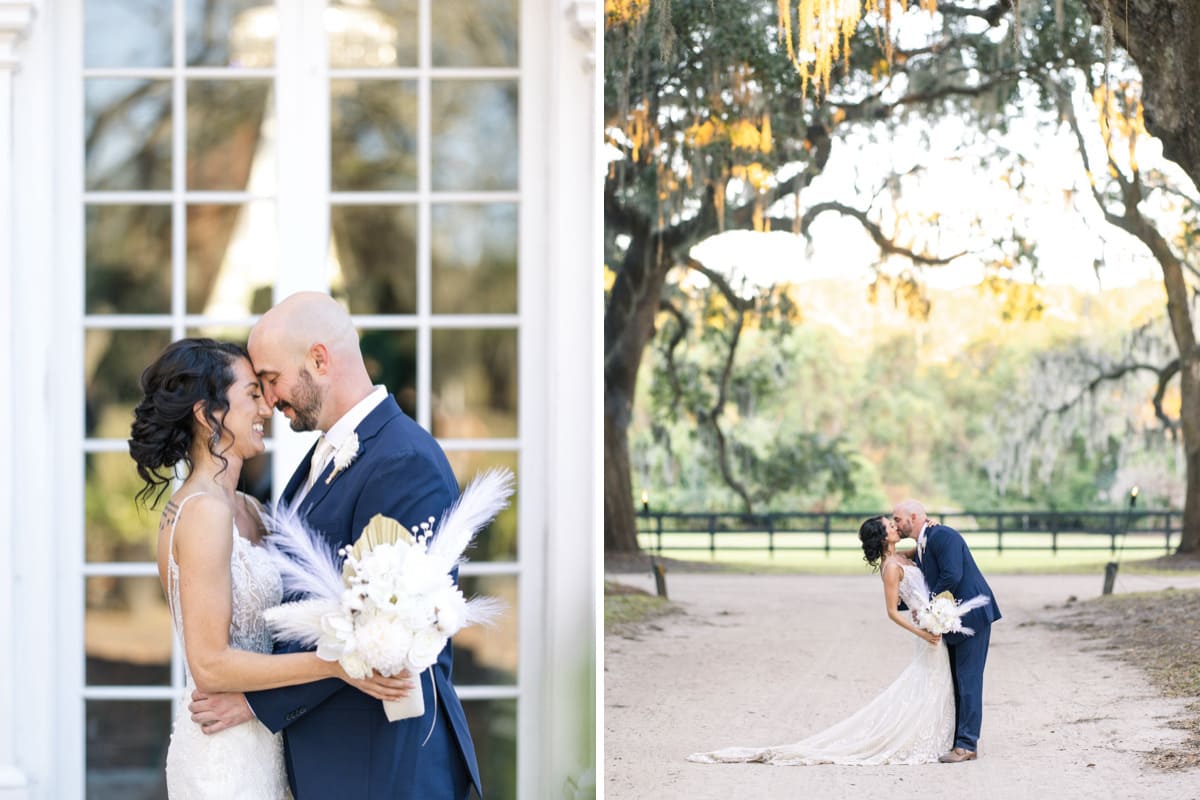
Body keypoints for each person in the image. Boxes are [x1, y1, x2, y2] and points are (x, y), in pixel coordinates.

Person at [187, 293, 482, 799]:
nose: (269, 402)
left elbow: (385, 629)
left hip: (385, 763)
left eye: (273, 380)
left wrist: (258, 702)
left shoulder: (404, 460)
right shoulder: (321, 457)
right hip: (335, 761)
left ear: (319, 360)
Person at [129, 338, 410, 798]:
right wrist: (336, 665)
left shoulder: (249, 510)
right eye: (252, 394)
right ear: (207, 414)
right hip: (223, 754)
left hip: (265, 740)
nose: (267, 407)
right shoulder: (202, 513)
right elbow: (211, 666)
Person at [687, 515, 954, 766]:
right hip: (926, 631)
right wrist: (923, 632)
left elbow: (924, 549)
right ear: (884, 538)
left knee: (933, 680)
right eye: (890, 525)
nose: (896, 526)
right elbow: (892, 612)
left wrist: (932, 526)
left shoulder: (903, 556)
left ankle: (934, 730)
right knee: (927, 679)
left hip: (932, 623)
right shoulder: (891, 568)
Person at [893, 499, 1001, 763]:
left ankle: (967, 745)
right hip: (949, 618)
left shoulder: (944, 535)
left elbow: (952, 574)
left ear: (914, 516)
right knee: (955, 679)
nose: (895, 523)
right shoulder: (921, 544)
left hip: (971, 617)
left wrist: (926, 604)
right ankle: (959, 739)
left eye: (897, 519)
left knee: (968, 679)